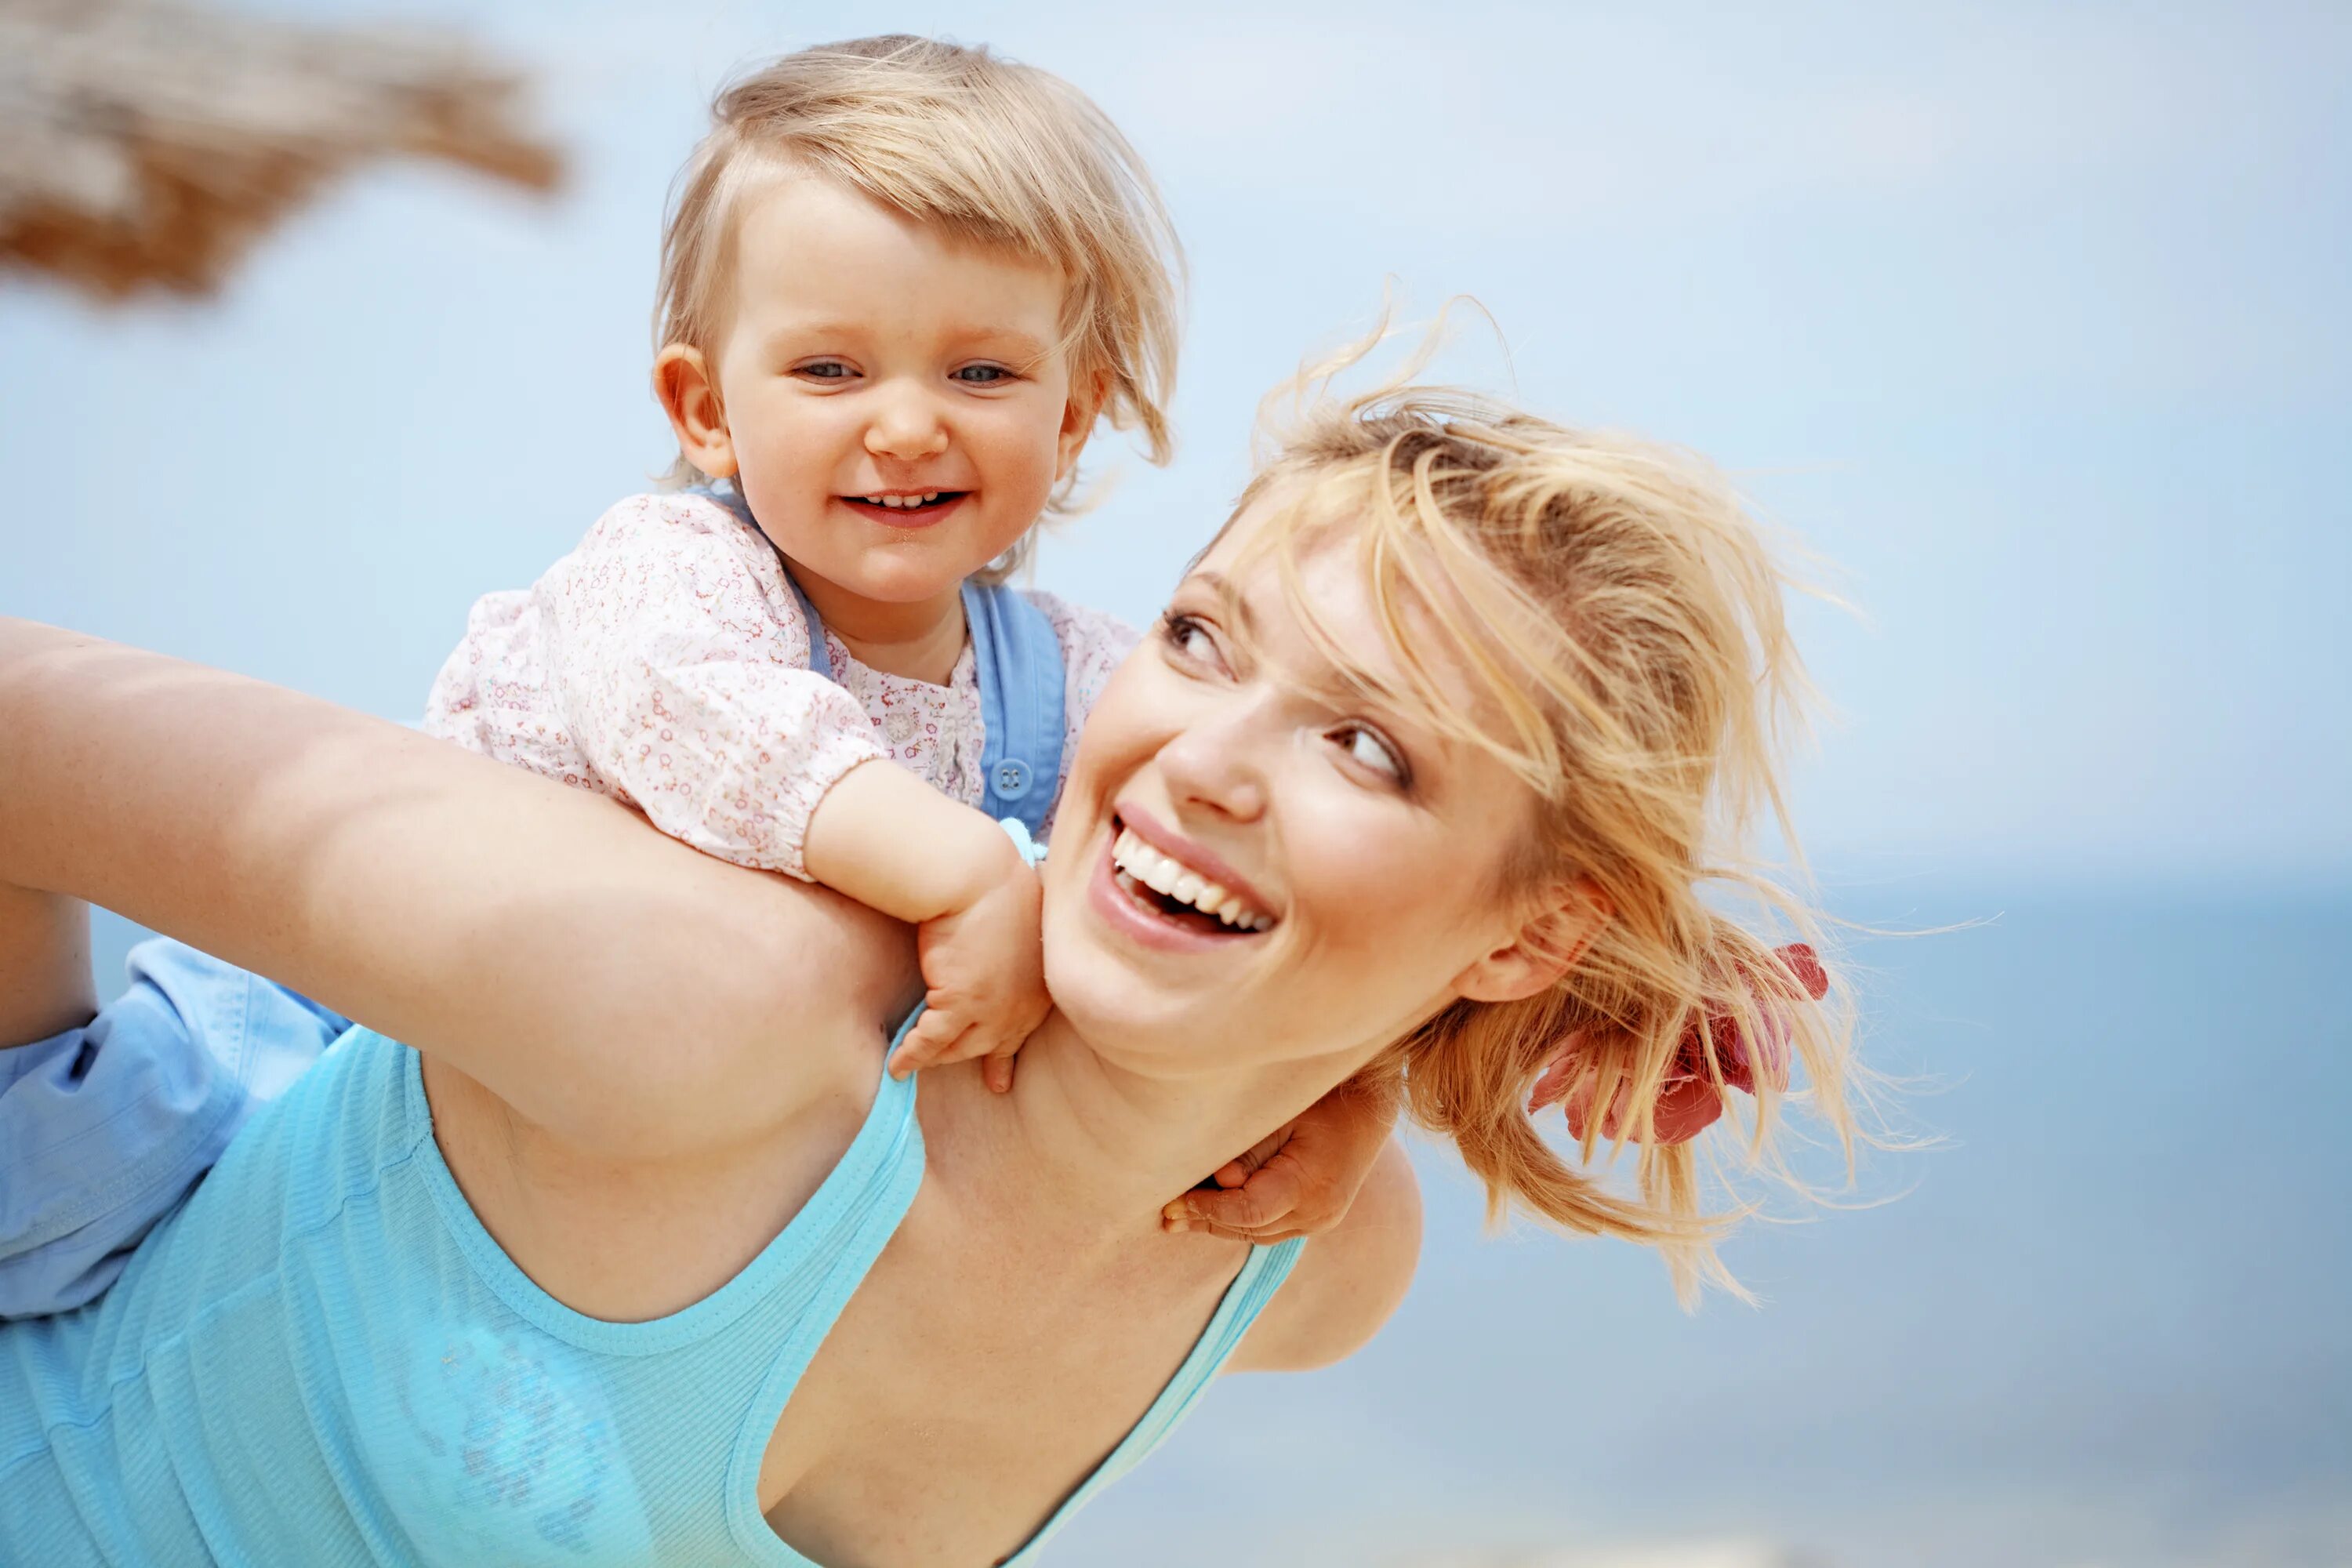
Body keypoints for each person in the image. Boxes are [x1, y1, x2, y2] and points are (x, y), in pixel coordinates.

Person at [0, 363, 1858, 1565]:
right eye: (1203, 640)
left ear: (1537, 933)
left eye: (1367, 748)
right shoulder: (708, 1006)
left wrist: (1361, 1073)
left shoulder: (1307, 1266)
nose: (1204, 760)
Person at [0, 34, 1389, 1322]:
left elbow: (1207, 864)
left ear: (1070, 413)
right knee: (58, 1211)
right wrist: (966, 871)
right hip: (317, 1048)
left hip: (599, 1194)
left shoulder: (1072, 675)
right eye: (832, 368)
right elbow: (703, 718)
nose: (907, 425)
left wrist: (1339, 1092)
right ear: (707, 410)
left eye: (980, 370)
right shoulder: (669, 573)